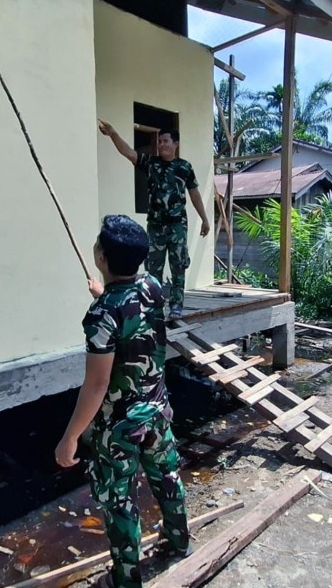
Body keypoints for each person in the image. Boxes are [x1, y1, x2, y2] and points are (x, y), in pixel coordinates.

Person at [55, 215, 189, 588]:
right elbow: (132, 305)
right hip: (158, 411)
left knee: (120, 502)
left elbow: (96, 386)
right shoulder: (154, 287)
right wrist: (106, 293)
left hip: (120, 428)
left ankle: (128, 579)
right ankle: (180, 543)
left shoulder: (101, 316)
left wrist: (69, 438)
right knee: (167, 478)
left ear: (101, 257)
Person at [98, 121, 210, 319]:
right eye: (159, 141)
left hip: (177, 226)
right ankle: (154, 305)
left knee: (178, 265)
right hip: (156, 226)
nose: (161, 145)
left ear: (175, 144)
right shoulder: (151, 163)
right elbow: (129, 153)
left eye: (166, 141)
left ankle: (176, 305)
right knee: (153, 269)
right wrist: (114, 133)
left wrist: (204, 219)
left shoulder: (184, 167)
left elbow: (194, 195)